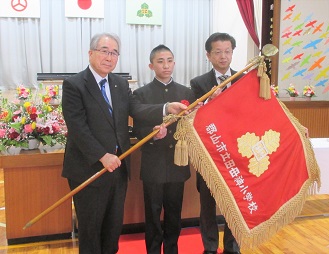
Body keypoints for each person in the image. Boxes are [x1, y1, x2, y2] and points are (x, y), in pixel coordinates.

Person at [61, 33, 188, 254]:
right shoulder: (74, 85)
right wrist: (102, 156)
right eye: (104, 51)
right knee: (91, 231)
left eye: (114, 53)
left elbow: (137, 109)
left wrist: (166, 108)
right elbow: (78, 128)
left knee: (112, 229)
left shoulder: (119, 83)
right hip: (89, 170)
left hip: (118, 168)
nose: (109, 57)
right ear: (91, 53)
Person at [132, 45, 195, 254]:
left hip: (178, 162)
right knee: (152, 213)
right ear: (151, 65)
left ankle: (172, 250)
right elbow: (137, 128)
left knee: (174, 214)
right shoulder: (141, 94)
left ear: (174, 63)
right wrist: (151, 132)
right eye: (160, 61)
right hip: (153, 163)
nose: (166, 65)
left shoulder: (187, 92)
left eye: (169, 60)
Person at [190, 32, 244, 254]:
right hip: (210, 154)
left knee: (235, 204)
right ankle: (210, 247)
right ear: (208, 55)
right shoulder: (198, 83)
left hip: (237, 154)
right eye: (218, 52)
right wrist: (208, 105)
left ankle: (233, 246)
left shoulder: (243, 79)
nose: (223, 56)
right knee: (208, 205)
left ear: (232, 52)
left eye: (228, 51)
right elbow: (192, 117)